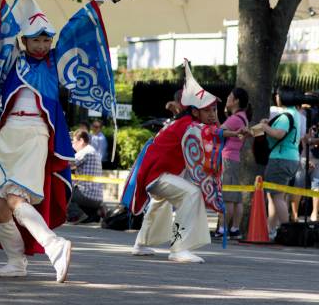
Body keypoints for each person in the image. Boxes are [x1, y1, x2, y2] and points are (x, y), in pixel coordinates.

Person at [0, 0, 116, 282]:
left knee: (15, 199)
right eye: (36, 38)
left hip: (36, 135)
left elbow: (77, 30)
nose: (42, 44)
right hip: (7, 135)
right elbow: (3, 26)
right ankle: (16, 261)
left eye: (47, 38)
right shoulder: (13, 58)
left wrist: (96, 2)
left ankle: (53, 244)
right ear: (24, 39)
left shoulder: (54, 62)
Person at [123, 60, 250, 263]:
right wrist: (233, 132)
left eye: (214, 110)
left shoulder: (182, 123)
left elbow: (208, 131)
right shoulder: (189, 125)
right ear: (194, 111)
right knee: (192, 194)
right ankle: (179, 248)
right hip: (158, 175)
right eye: (207, 110)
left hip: (155, 175)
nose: (212, 114)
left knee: (159, 204)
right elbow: (209, 131)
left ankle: (141, 244)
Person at [260, 85, 301, 239]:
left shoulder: (286, 115)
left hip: (281, 159)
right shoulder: (294, 113)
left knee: (276, 197)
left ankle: (287, 232)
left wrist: (264, 126)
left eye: (277, 95)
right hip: (291, 158)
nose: (276, 98)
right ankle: (272, 230)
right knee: (277, 196)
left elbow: (278, 133)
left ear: (284, 97)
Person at [213, 87, 252, 240]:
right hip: (234, 159)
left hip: (227, 158)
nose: (227, 98)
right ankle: (235, 229)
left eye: (229, 96)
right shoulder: (242, 117)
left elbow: (217, 132)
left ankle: (223, 229)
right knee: (235, 195)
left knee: (228, 195)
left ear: (236, 101)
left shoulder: (235, 118)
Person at [67, 129, 104, 224]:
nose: (72, 146)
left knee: (63, 192)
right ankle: (97, 212)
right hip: (98, 198)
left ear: (81, 141)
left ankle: (77, 215)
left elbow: (68, 164)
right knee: (83, 214)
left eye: (74, 142)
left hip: (87, 195)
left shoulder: (85, 152)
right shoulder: (94, 151)